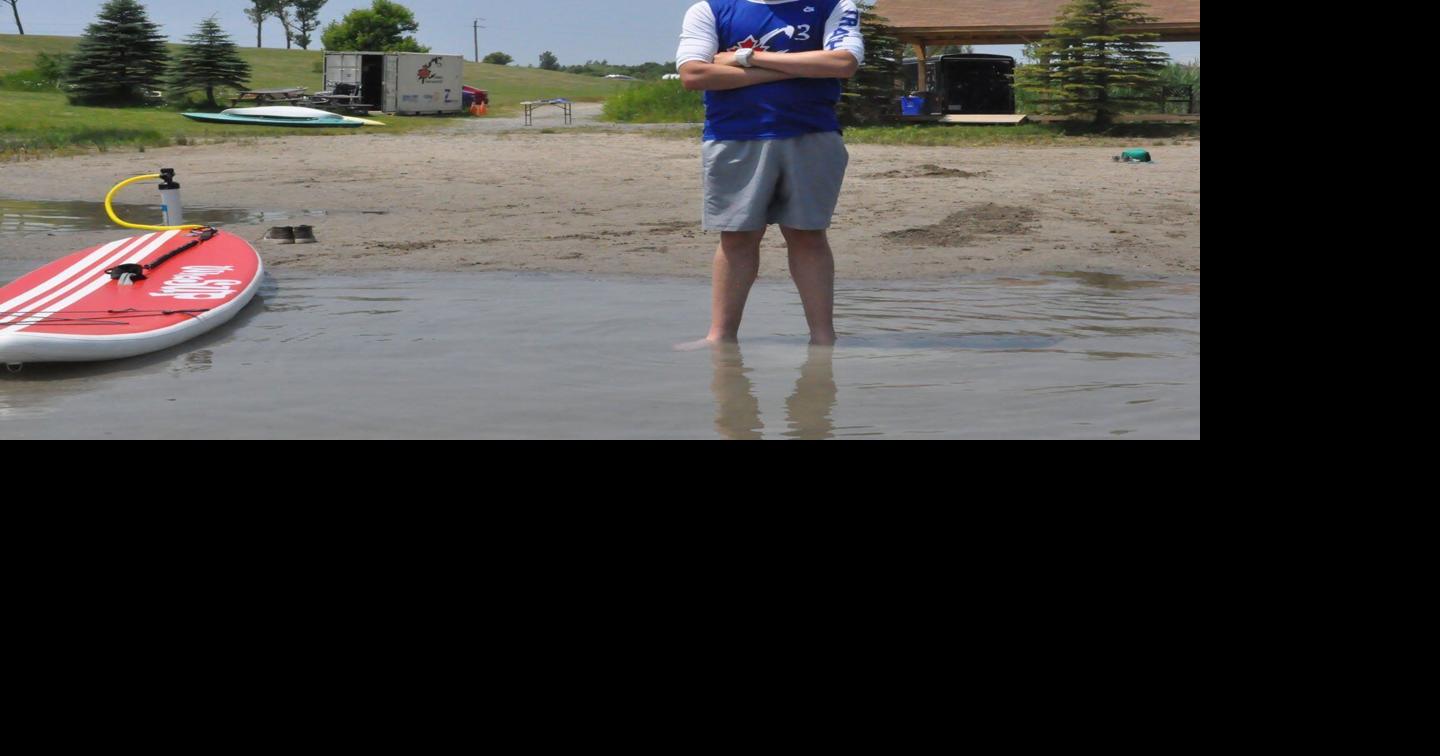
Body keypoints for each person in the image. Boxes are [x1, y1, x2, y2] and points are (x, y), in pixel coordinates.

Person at [675, 0, 865, 347]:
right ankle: (720, 338)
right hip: (733, 136)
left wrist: (748, 58)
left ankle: (823, 339)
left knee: (808, 235)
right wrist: (803, 66)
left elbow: (842, 62)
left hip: (813, 134)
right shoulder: (710, 9)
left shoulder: (835, 4)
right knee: (735, 237)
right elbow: (694, 74)